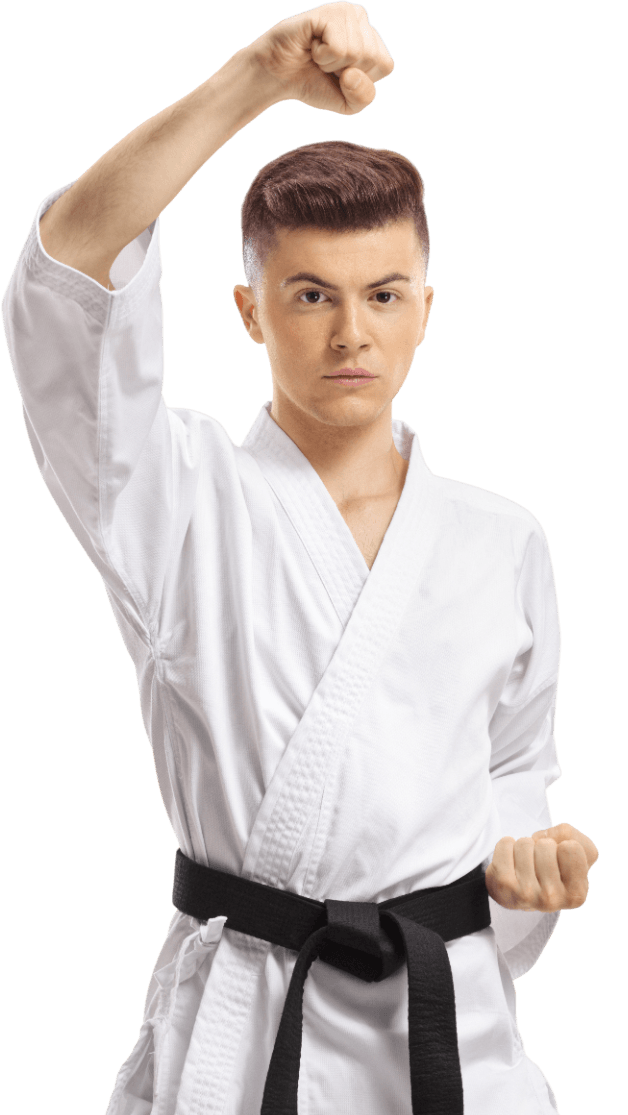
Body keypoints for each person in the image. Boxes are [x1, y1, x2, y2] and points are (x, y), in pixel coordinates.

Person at [2, 3, 598, 1113]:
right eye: (309, 295)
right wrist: (256, 76)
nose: (349, 334)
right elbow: (72, 269)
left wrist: (533, 872)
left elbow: (514, 774)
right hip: (243, 1028)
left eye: (381, 296)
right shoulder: (174, 496)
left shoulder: (501, 536)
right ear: (248, 310)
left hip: (451, 1033)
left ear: (425, 311)